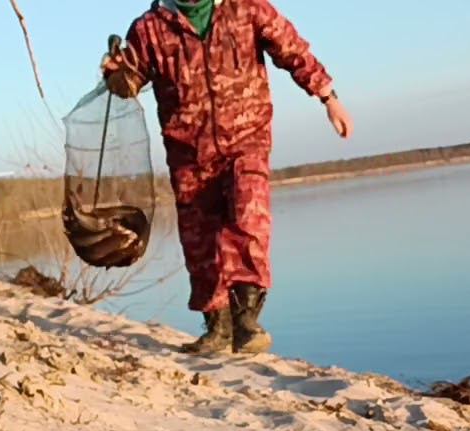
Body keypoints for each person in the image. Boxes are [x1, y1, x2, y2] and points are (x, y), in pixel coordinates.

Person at [103, 0, 353, 355]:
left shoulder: (246, 7)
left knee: (249, 215)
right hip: (188, 152)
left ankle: (246, 319)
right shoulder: (149, 28)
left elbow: (292, 50)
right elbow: (128, 81)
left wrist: (328, 97)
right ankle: (217, 327)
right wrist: (114, 72)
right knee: (199, 239)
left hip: (246, 140)